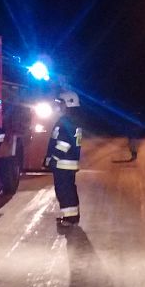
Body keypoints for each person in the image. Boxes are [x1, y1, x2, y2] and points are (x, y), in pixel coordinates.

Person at [43, 90, 82, 228]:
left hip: (63, 163)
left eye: (61, 103)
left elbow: (64, 144)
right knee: (68, 189)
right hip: (67, 163)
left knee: (64, 190)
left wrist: (52, 159)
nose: (59, 106)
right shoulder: (71, 120)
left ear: (69, 104)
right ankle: (71, 216)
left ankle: (70, 219)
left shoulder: (67, 122)